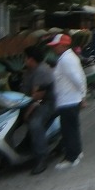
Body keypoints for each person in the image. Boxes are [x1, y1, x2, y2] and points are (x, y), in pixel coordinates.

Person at [47, 34, 86, 170]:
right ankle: (77, 152)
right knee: (73, 128)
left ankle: (71, 157)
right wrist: (82, 96)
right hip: (70, 99)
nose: (54, 49)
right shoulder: (70, 57)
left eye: (56, 46)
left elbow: (77, 79)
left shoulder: (66, 60)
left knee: (68, 130)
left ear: (63, 46)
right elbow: (81, 77)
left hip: (68, 100)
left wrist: (82, 95)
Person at [20, 45, 55, 175]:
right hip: (29, 102)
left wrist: (27, 112)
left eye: (25, 57)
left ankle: (41, 157)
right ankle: (26, 145)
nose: (23, 60)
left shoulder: (42, 71)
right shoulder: (28, 71)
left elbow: (37, 97)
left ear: (31, 59)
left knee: (35, 124)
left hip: (47, 103)